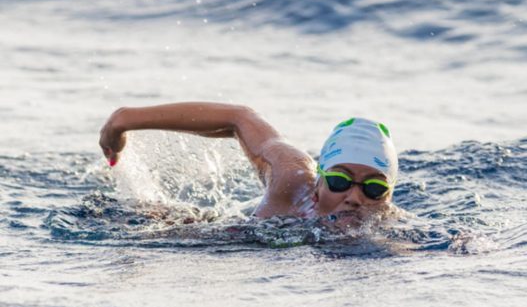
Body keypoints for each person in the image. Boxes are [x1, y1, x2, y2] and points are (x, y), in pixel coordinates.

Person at [99, 102, 398, 220]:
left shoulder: (396, 233)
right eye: (339, 181)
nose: (354, 197)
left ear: (389, 198)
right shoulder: (291, 178)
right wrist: (123, 120)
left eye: (374, 188)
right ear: (319, 183)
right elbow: (239, 118)